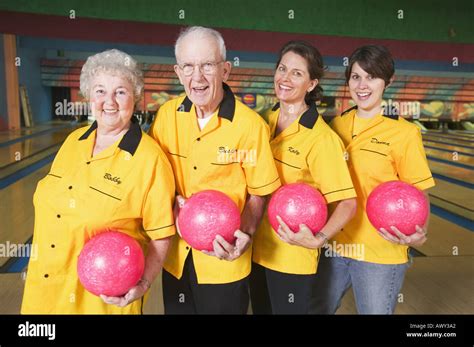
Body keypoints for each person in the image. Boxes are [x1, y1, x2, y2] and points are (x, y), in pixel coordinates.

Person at [21, 49, 176, 314]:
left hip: (101, 302)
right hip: (44, 292)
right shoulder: (73, 141)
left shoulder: (150, 159)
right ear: (89, 96)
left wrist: (144, 282)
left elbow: (161, 235)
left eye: (120, 92)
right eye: (100, 91)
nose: (109, 101)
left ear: (136, 98)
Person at [149, 26, 280, 314]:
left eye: (207, 65)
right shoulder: (166, 116)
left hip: (224, 263)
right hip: (176, 260)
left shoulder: (249, 126)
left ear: (225, 70)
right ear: (178, 72)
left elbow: (259, 193)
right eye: (188, 66)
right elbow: (153, 180)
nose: (197, 77)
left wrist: (245, 232)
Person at [313, 45, 435, 314]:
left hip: (379, 252)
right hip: (334, 246)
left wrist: (419, 233)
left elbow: (419, 190)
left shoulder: (404, 133)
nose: (362, 85)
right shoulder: (337, 125)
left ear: (388, 81)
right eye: (356, 77)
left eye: (372, 77)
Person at [249, 41, 357, 314]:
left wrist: (319, 238)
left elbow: (347, 202)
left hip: (291, 258)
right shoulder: (265, 120)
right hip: (254, 250)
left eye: (297, 73)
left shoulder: (321, 139)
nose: (285, 78)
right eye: (282, 68)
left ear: (311, 84)